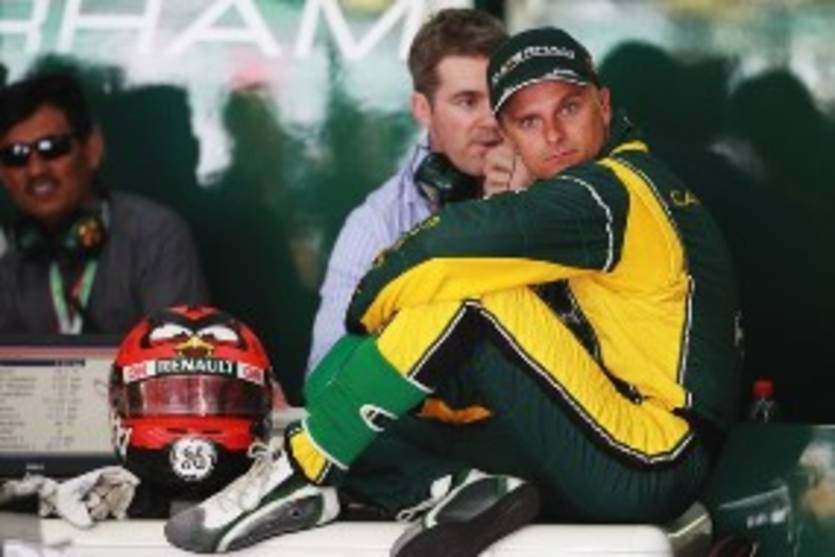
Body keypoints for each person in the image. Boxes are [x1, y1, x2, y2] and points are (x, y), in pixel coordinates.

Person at [165, 27, 742, 556]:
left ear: (605, 105)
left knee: (468, 298)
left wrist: (372, 330)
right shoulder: (584, 195)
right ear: (509, 135)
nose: (554, 135)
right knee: (350, 412)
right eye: (529, 122)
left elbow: (440, 252)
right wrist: (376, 374)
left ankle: (299, 472)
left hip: (653, 459)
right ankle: (455, 490)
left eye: (569, 108)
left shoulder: (610, 191)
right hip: (604, 443)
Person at [306, 8, 509, 373]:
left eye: (500, 99)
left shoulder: (554, 193)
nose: (491, 120)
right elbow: (328, 375)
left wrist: (519, 210)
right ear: (423, 109)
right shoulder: (377, 224)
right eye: (467, 102)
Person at [0, 73, 208, 334]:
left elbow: (177, 353)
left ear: (92, 149)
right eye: (15, 156)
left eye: (52, 147)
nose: (36, 170)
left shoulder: (154, 235)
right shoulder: (14, 254)